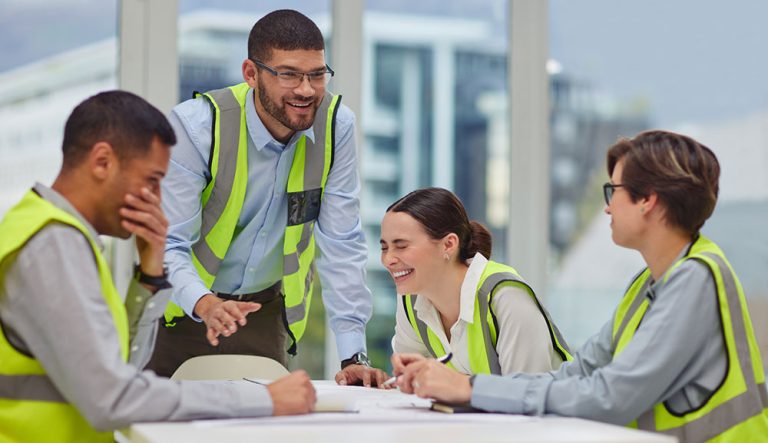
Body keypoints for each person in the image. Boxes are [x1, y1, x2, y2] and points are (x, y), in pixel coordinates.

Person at [394, 131, 768, 442]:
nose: (606, 208)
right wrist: (467, 386)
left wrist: (471, 390)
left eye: (613, 191)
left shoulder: (696, 279)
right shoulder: (649, 283)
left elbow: (611, 397)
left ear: (648, 202)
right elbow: (579, 372)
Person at [0, 91, 316, 442]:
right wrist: (262, 399)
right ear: (102, 162)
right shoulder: (54, 244)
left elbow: (122, 373)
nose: (157, 199)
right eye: (151, 180)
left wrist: (150, 277)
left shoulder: (50, 230)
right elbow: (114, 398)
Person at [148, 9, 383, 385]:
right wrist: (205, 303)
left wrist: (352, 355)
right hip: (177, 308)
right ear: (251, 73)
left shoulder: (336, 126)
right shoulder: (197, 127)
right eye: (288, 74)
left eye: (317, 74)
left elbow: (342, 244)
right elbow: (167, 243)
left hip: (264, 311)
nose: (306, 90)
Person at [379, 187, 570, 378]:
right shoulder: (411, 300)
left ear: (448, 244)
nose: (388, 259)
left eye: (401, 246)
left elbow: (525, 396)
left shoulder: (507, 298)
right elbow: (409, 381)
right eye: (384, 247)